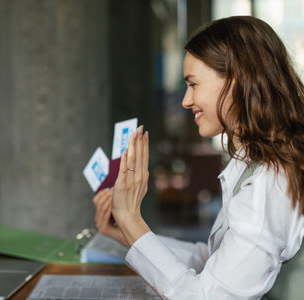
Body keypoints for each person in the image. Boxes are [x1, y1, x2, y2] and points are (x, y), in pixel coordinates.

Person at [93, 16, 304, 299]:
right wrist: (127, 233)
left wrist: (130, 218)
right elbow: (215, 259)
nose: (185, 100)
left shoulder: (268, 185)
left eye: (194, 84)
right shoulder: (257, 162)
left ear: (236, 81)